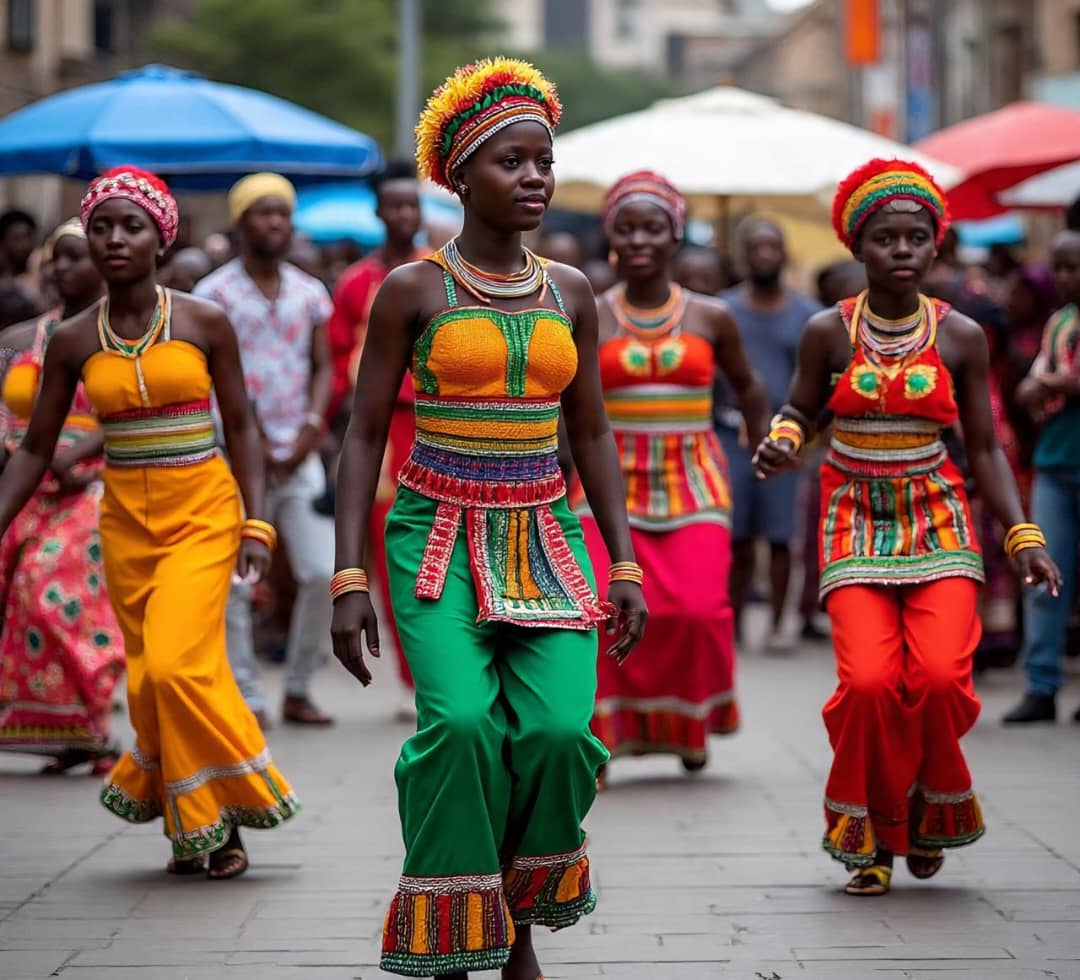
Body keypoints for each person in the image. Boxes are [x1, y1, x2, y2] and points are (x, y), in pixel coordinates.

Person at [331, 58, 647, 978]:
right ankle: (453, 925)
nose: (535, 179)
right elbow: (359, 438)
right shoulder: (412, 290)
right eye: (512, 162)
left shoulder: (574, 291)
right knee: (464, 724)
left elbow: (590, 434)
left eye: (543, 162)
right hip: (434, 537)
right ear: (460, 176)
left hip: (547, 540)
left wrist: (623, 566)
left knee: (555, 733)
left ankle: (513, 916)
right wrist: (348, 579)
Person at [753, 159, 1059, 897]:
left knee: (940, 678)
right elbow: (800, 408)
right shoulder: (828, 331)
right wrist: (785, 440)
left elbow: (984, 447)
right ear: (859, 248)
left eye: (916, 238)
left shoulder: (961, 338)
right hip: (852, 513)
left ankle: (925, 805)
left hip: (937, 514)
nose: (901, 250)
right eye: (885, 238)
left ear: (935, 248)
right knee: (866, 682)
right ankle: (874, 834)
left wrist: (1023, 535)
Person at [0, 167, 299, 876]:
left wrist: (257, 526)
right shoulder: (72, 341)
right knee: (149, 683)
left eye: (130, 226)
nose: (113, 240)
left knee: (174, 665)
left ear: (160, 239)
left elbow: (245, 432)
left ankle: (221, 814)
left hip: (203, 512)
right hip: (125, 526)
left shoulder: (204, 321)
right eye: (100, 227)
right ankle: (194, 822)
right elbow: (37, 449)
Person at [572, 171, 768, 774]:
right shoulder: (588, 312)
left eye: (652, 228)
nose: (639, 240)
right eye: (626, 228)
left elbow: (750, 388)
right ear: (610, 238)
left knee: (697, 610)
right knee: (598, 610)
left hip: (694, 476)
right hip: (609, 479)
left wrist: (763, 441)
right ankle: (598, 740)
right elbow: (565, 403)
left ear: (674, 236)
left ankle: (689, 721)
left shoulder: (714, 316)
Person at [194, 173, 336, 727]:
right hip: (231, 457)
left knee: (322, 572)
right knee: (235, 582)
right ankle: (246, 696)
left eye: (281, 213)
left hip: (298, 454)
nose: (273, 223)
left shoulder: (309, 292)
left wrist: (310, 426)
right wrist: (239, 437)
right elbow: (200, 374)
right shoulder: (212, 295)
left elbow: (323, 365)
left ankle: (299, 688)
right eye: (261, 213)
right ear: (239, 222)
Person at [0, 219, 125, 774]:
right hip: (27, 481)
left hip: (92, 486)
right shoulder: (21, 339)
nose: (64, 268)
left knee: (46, 585)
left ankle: (88, 721)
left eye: (77, 257)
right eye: (59, 258)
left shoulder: (119, 335)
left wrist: (77, 455)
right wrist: (21, 446)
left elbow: (134, 408)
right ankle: (55, 728)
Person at [326, 160, 430, 703]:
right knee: (391, 553)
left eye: (412, 204)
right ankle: (417, 672)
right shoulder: (357, 283)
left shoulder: (437, 272)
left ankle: (433, 669)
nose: (405, 213)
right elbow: (339, 355)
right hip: (380, 431)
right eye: (395, 205)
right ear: (378, 211)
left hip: (434, 424)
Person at [719, 218, 821, 649]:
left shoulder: (808, 316)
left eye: (772, 247)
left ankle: (779, 625)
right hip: (729, 437)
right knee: (736, 536)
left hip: (784, 440)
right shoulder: (722, 311)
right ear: (744, 254)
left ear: (784, 253)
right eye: (756, 247)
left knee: (782, 536)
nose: (764, 254)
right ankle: (734, 623)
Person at [1003, 230, 1080, 724]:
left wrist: (1052, 384)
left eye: (1073, 266)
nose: (1065, 277)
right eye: (1059, 267)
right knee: (1044, 574)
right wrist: (1042, 386)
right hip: (1055, 462)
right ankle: (1041, 684)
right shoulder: (1059, 322)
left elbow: (1052, 381)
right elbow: (1031, 384)